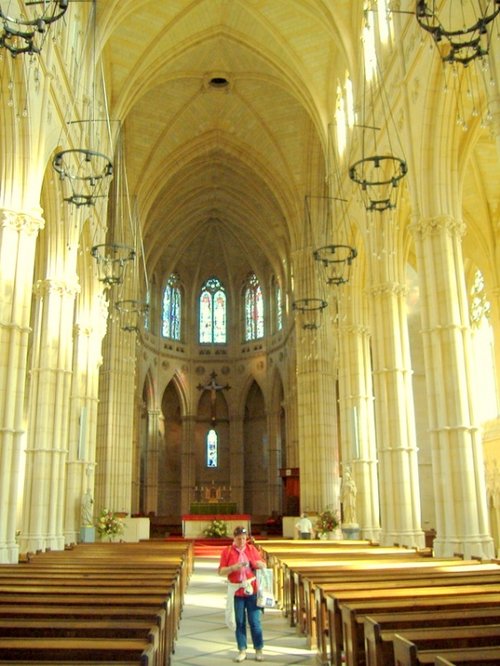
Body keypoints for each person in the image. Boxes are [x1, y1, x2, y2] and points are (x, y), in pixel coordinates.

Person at [218, 526, 266, 662]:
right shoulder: (227, 552)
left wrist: (258, 563)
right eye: (239, 539)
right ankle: (242, 649)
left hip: (252, 589)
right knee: (239, 622)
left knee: (255, 621)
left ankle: (259, 649)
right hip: (236, 591)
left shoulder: (252, 549)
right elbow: (221, 571)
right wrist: (233, 568)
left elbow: (263, 563)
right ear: (234, 538)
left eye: (244, 538)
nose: (241, 541)